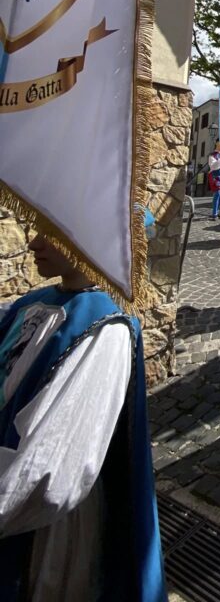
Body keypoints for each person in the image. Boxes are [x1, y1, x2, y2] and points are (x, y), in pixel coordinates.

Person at [0, 235, 166, 602]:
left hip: (42, 533)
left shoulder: (106, 330)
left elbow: (49, 476)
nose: (32, 243)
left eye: (50, 232)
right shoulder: (33, 303)